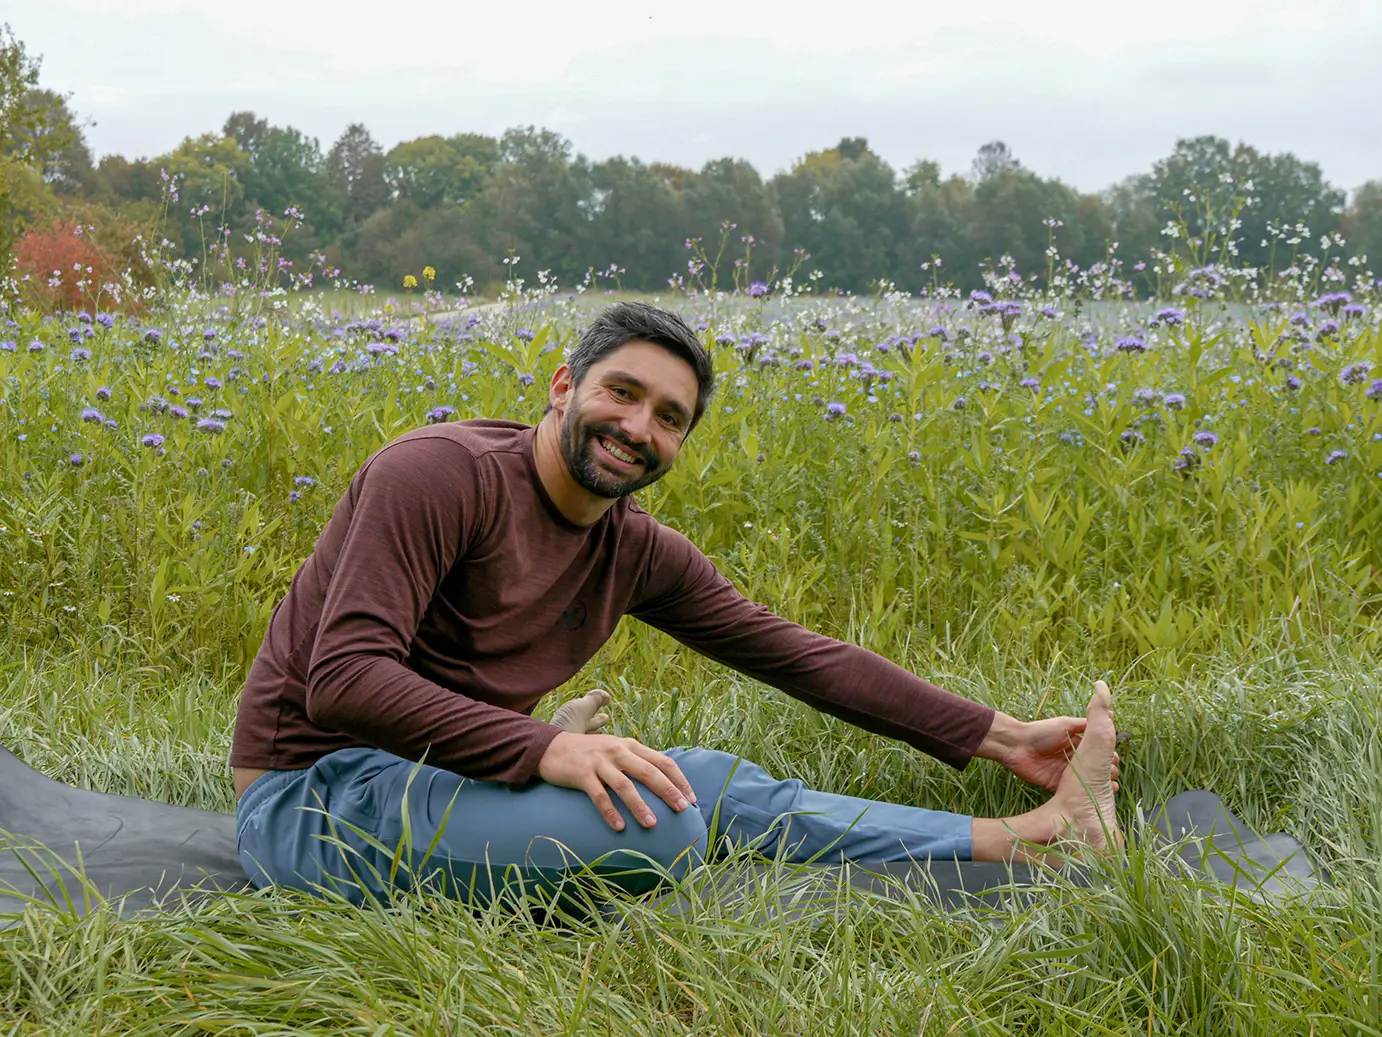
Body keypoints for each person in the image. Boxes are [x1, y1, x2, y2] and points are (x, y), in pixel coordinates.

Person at [230, 301, 1121, 908]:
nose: (637, 428)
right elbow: (342, 682)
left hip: (445, 772)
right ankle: (552, 784)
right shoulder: (435, 476)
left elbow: (798, 654)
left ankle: (1023, 837)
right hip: (312, 795)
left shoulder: (634, 547)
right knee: (666, 827)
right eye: (622, 392)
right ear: (562, 386)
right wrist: (545, 745)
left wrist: (1004, 737)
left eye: (669, 417)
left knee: (710, 781)